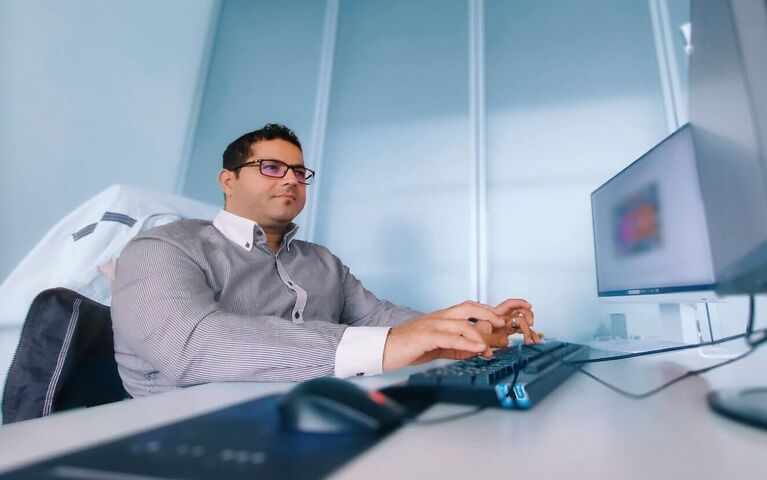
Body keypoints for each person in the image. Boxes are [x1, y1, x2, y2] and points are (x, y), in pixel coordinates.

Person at [111, 124, 540, 397]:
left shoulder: (321, 261)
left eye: (300, 173)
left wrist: (466, 331)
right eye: (272, 168)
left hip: (314, 413)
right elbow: (193, 345)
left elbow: (378, 316)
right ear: (228, 180)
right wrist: (398, 344)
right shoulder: (161, 248)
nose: (293, 180)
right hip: (186, 433)